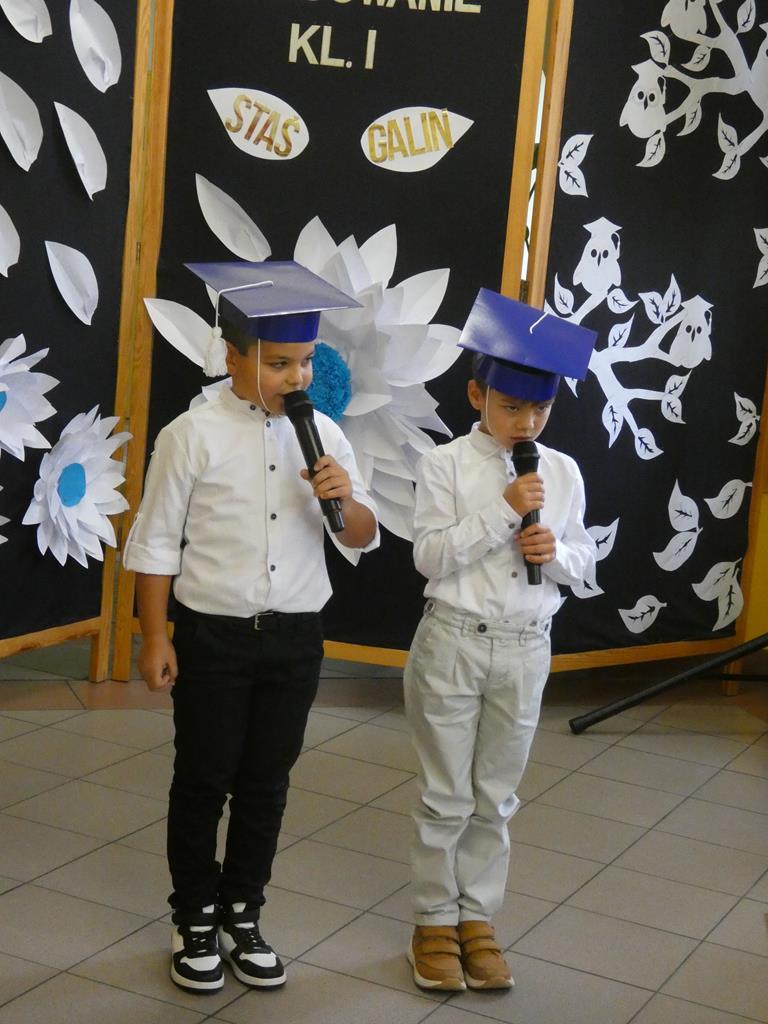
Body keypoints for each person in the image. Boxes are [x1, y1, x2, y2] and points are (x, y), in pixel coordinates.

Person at [123, 260, 379, 995]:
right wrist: (156, 636)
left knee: (267, 782)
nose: (296, 378)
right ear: (231, 356)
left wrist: (342, 498)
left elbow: (361, 536)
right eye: (278, 363)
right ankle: (194, 917)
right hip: (215, 637)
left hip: (295, 637)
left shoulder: (324, 435)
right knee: (204, 779)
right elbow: (156, 543)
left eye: (305, 362)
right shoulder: (191, 435)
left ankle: (244, 912)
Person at [404, 288, 597, 992]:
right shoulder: (446, 465)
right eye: (512, 407)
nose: (528, 423)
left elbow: (584, 562)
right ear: (476, 395)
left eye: (541, 409)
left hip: (525, 646)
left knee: (496, 795)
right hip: (453, 642)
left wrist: (559, 552)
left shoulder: (563, 471)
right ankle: (433, 920)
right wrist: (503, 511)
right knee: (445, 795)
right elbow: (429, 556)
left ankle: (477, 919)